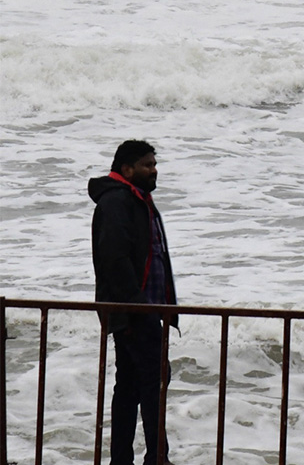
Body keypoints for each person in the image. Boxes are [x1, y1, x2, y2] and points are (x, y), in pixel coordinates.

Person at [89, 139, 178, 465]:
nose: (154, 170)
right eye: (147, 165)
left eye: (154, 164)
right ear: (127, 169)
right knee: (152, 381)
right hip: (135, 312)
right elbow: (115, 260)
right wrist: (138, 307)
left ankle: (122, 459)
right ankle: (157, 458)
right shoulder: (117, 204)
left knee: (128, 386)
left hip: (142, 310)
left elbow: (153, 258)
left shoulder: (138, 201)